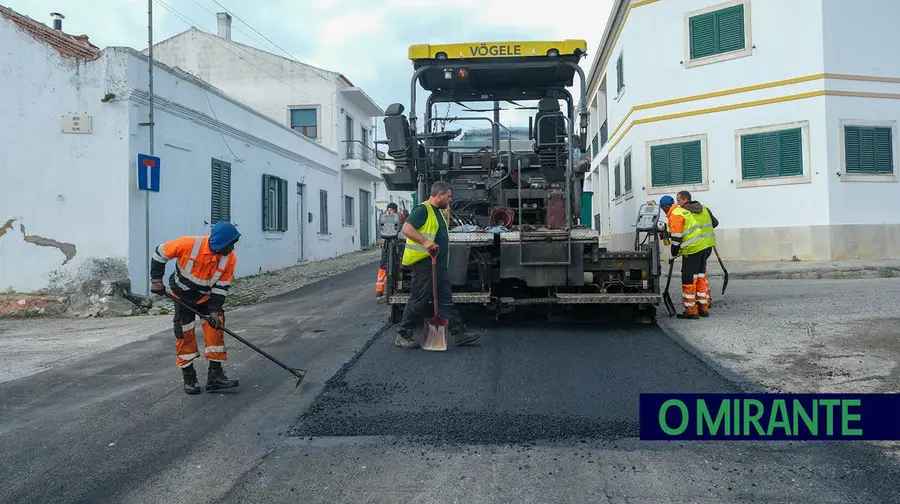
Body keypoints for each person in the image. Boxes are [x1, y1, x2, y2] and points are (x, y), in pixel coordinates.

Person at [150, 221, 241, 394]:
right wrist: (156, 280)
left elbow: (221, 287)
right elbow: (159, 253)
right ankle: (189, 378)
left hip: (207, 299)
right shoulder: (188, 244)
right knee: (185, 335)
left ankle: (215, 377)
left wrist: (214, 311)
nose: (232, 249)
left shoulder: (230, 259)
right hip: (182, 297)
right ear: (219, 243)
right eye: (229, 245)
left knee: (216, 329)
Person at [395, 181, 480, 349]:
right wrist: (426, 242)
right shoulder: (422, 209)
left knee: (445, 299)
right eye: (448, 196)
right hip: (424, 264)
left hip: (436, 264)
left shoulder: (437, 212)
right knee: (419, 299)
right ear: (439, 195)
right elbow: (406, 228)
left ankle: (458, 333)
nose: (450, 200)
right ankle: (403, 334)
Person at [659, 192, 717, 319]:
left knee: (689, 279)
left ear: (665, 207)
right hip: (702, 246)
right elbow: (684, 230)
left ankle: (691, 311)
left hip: (692, 250)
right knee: (700, 277)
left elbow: (677, 238)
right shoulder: (682, 211)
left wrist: (673, 253)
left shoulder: (675, 215)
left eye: (662, 209)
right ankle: (703, 308)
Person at [676, 190, 719, 310]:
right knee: (701, 274)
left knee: (692, 276)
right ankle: (704, 300)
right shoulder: (704, 208)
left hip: (695, 247)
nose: (677, 203)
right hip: (708, 246)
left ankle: (693, 305)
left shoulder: (684, 212)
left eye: (679, 200)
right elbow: (715, 223)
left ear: (685, 200)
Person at [376, 203, 399, 302]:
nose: (390, 212)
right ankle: (379, 290)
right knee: (383, 266)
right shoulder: (385, 217)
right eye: (388, 210)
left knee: (395, 265)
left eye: (392, 210)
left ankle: (393, 286)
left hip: (394, 243)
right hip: (386, 244)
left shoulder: (398, 218)